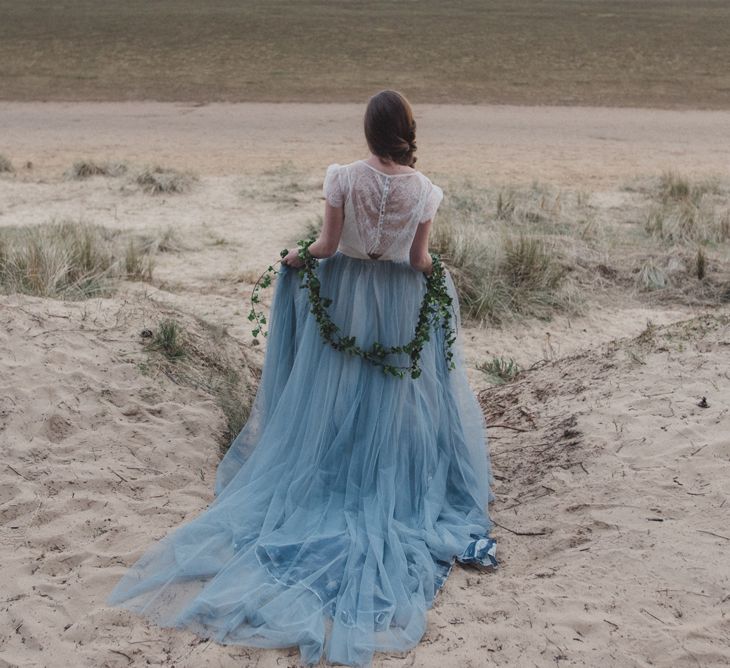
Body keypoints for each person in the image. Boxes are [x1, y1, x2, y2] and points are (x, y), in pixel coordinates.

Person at [106, 89, 497, 668]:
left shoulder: (342, 176)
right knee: (391, 394)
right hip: (397, 303)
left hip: (343, 296)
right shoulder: (424, 190)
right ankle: (378, 478)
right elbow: (419, 262)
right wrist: (439, 274)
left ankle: (333, 472)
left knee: (332, 393)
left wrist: (295, 260)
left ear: (368, 131)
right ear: (406, 133)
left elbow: (328, 246)